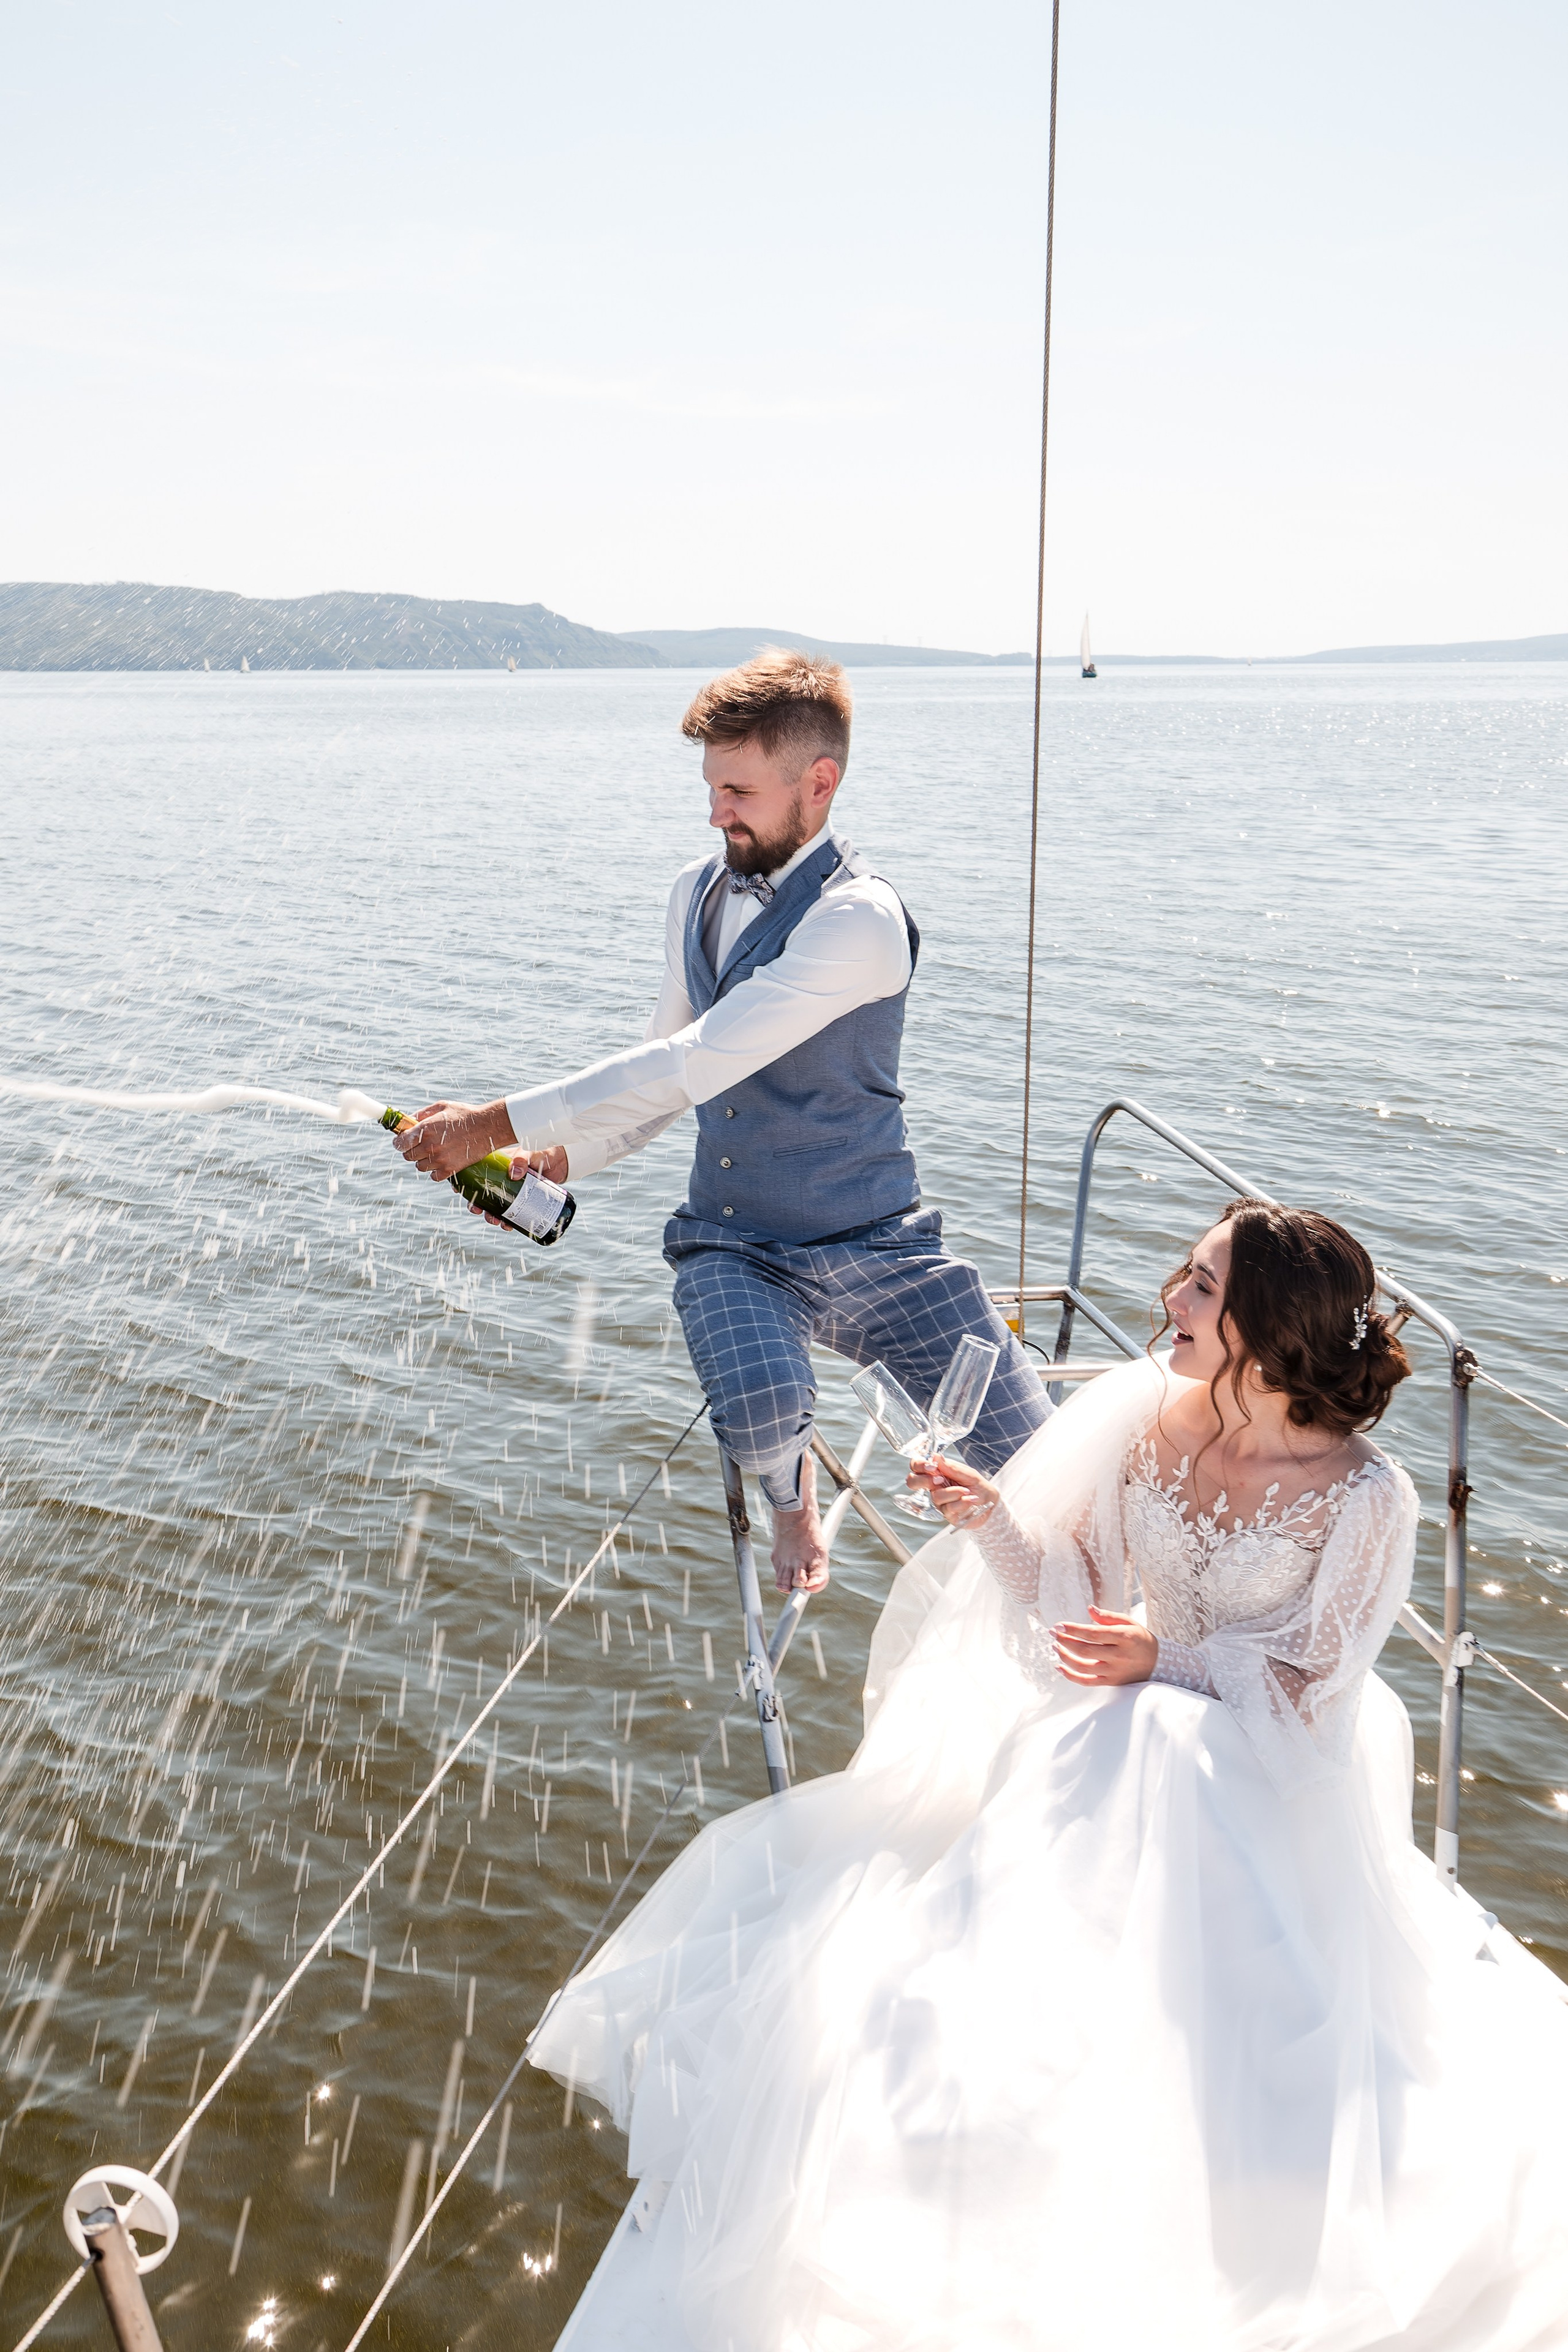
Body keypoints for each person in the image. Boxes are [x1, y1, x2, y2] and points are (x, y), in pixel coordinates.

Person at [529, 1198, 1568, 2351]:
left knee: (1161, 1745)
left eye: (1203, 1286)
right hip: (1123, 1724)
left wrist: (1163, 1662)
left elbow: (1317, 1684)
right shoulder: (1149, 1425)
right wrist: (988, 1520)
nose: (1170, 1299)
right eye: (1184, 1273)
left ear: (1270, 1327)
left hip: (1265, 1761)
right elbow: (1070, 1590)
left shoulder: (1368, 1496)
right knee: (1098, 1782)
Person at [392, 648, 1049, 1593]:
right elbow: (664, 1076)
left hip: (881, 1245)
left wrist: (489, 1123)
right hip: (735, 1243)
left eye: (738, 791)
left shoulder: (862, 920)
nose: (715, 813)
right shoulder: (693, 895)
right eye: (710, 787)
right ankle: (793, 1502)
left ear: (819, 784)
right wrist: (560, 1159)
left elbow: (697, 1059)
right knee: (762, 1402)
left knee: (1048, 1474)